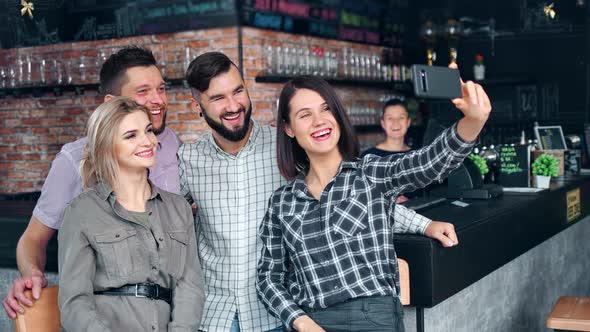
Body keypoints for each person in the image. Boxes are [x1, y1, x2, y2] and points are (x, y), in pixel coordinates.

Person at [180, 52, 443, 332]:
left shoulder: (286, 146)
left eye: (238, 91)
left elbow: (348, 194)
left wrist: (423, 224)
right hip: (215, 315)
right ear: (196, 104)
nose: (233, 105)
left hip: (274, 317)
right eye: (218, 98)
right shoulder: (186, 160)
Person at [256, 74, 490, 332]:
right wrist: (300, 321)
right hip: (311, 321)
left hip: (373, 319)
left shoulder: (370, 174)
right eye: (304, 115)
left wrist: (473, 121)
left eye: (325, 109)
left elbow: (429, 163)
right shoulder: (282, 202)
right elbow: (269, 278)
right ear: (288, 128)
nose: (319, 121)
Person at [3, 46, 181, 318]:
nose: (158, 100)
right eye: (143, 92)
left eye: (161, 89)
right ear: (111, 102)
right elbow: (32, 240)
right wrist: (32, 275)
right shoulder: (74, 160)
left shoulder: (177, 148)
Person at [58, 97, 204, 331]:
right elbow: (74, 303)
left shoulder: (178, 208)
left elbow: (190, 288)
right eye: (131, 135)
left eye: (148, 130)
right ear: (107, 147)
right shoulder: (81, 212)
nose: (147, 141)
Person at [362, 99, 415, 202]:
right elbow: (360, 195)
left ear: (408, 122)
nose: (396, 123)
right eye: (390, 118)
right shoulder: (369, 157)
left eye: (401, 117)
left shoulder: (417, 155)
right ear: (383, 123)